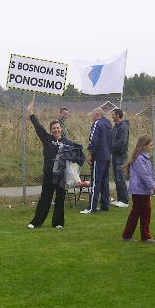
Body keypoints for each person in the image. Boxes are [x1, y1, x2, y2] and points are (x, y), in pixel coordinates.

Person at [26, 96, 84, 229]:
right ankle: (36, 222)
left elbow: (77, 152)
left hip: (62, 176)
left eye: (58, 128)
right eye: (54, 128)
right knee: (45, 199)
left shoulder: (67, 142)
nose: (56, 130)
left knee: (60, 199)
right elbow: (38, 127)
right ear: (51, 130)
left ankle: (58, 223)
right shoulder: (47, 139)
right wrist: (31, 112)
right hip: (49, 175)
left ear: (61, 129)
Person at [121, 135, 155, 243]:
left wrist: (152, 186)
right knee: (137, 212)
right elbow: (144, 175)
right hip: (139, 190)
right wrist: (153, 186)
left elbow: (149, 175)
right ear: (144, 146)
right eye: (150, 145)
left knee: (146, 212)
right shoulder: (139, 159)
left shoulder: (145, 157)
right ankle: (128, 235)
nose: (152, 147)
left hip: (144, 190)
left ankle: (145, 236)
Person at [80, 107, 112, 214]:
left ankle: (91, 207)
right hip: (108, 156)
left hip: (99, 156)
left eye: (93, 115)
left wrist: (90, 154)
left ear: (97, 114)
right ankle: (105, 205)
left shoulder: (97, 124)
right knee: (105, 182)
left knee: (95, 182)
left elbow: (93, 140)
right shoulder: (108, 124)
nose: (92, 117)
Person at [110, 108, 130, 208]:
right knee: (116, 178)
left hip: (121, 156)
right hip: (115, 155)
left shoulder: (123, 127)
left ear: (118, 115)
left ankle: (125, 200)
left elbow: (122, 142)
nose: (112, 116)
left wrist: (111, 148)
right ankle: (119, 199)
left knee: (120, 178)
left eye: (113, 114)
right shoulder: (116, 126)